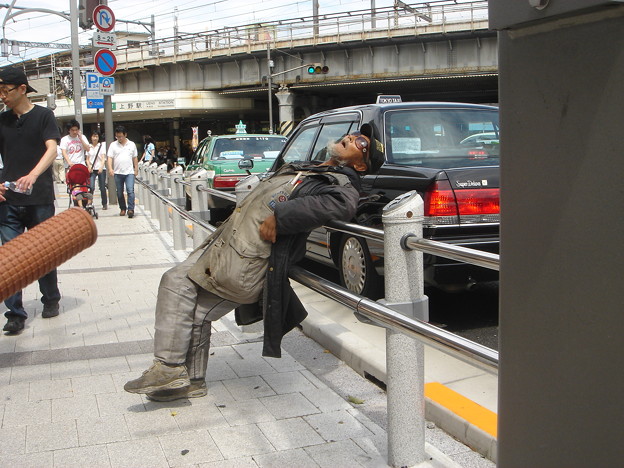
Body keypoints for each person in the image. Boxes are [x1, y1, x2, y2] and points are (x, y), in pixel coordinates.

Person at [124, 129, 375, 401]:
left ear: (360, 164)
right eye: (352, 134)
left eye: (360, 143)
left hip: (246, 263)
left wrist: (282, 216)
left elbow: (342, 206)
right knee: (177, 283)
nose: (352, 138)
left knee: (188, 299)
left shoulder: (343, 183)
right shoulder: (311, 169)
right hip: (226, 247)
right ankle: (182, 376)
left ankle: (176, 372)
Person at [0, 67, 61, 333]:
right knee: (10, 258)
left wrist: (33, 175)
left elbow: (52, 149)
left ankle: (51, 298)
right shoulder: (1, 121)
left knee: (43, 253)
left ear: (22, 89)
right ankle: (14, 313)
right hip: (7, 202)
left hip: (39, 199)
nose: (2, 96)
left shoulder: (44, 116)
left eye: (6, 90)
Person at [107, 125, 138, 218]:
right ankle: (123, 208)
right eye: (117, 136)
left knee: (130, 191)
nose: (119, 138)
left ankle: (131, 209)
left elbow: (135, 157)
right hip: (118, 172)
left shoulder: (131, 144)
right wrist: (110, 168)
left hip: (129, 172)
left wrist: (136, 169)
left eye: (121, 136)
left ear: (125, 135)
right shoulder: (113, 145)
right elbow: (109, 158)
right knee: (119, 192)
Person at [86, 130, 107, 210]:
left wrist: (101, 167)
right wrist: (89, 166)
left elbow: (103, 158)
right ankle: (90, 202)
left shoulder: (101, 146)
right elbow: (87, 159)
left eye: (96, 136)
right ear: (91, 137)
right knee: (91, 186)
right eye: (93, 136)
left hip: (101, 168)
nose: (95, 138)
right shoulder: (89, 147)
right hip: (92, 169)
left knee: (102, 187)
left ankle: (104, 203)